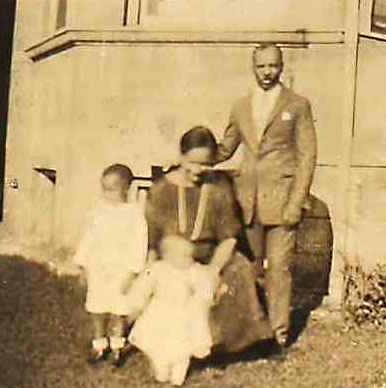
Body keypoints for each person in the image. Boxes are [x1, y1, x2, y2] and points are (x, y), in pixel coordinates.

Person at [215, 43, 318, 346]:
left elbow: (307, 156)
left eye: (273, 65)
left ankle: (277, 335)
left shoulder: (297, 105)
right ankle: (249, 332)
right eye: (261, 66)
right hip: (247, 201)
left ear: (281, 66)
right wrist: (190, 158)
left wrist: (296, 202)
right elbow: (225, 148)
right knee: (247, 269)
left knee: (279, 270)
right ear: (253, 68)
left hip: (282, 201)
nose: (267, 72)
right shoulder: (241, 106)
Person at [145, 126, 272, 354]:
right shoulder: (161, 190)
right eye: (193, 163)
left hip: (209, 255)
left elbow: (229, 238)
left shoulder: (218, 188)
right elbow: (152, 240)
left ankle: (227, 345)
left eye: (206, 164)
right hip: (172, 258)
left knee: (239, 269)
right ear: (181, 157)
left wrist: (213, 269)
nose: (199, 170)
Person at [124, 235, 225, 386]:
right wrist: (135, 303)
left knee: (183, 348)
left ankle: (178, 377)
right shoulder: (158, 269)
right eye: (184, 256)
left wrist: (210, 294)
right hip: (160, 314)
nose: (189, 260)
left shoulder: (194, 271)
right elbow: (143, 287)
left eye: (190, 256)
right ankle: (161, 371)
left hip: (185, 315)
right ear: (168, 256)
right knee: (158, 348)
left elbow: (205, 287)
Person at [74, 164, 148, 366]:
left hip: (121, 270)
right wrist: (83, 265)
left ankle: (117, 346)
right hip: (98, 267)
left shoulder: (134, 214)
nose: (106, 194)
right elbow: (88, 237)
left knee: (119, 310)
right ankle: (99, 345)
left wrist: (133, 271)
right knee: (97, 307)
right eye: (104, 188)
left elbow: (139, 244)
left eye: (112, 189)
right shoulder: (98, 211)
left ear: (126, 189)